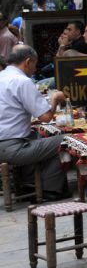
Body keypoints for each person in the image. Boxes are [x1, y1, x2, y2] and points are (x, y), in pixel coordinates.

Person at [0, 45, 69, 199]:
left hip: (6, 142)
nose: (35, 69)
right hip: (11, 147)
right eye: (35, 65)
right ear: (28, 61)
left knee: (39, 137)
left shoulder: (2, 76)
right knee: (66, 141)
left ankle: (28, 182)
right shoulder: (22, 81)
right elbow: (45, 117)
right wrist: (54, 99)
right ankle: (51, 190)